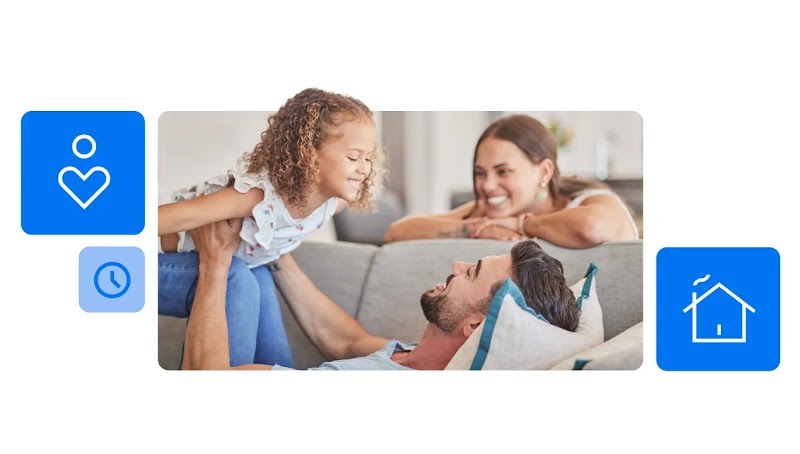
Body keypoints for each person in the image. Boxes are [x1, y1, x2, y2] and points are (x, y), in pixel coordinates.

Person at [158, 88, 384, 368]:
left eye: (368, 157)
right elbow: (180, 216)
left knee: (258, 275)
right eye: (353, 157)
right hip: (157, 256)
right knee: (236, 273)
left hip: (237, 263)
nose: (364, 169)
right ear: (309, 156)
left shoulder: (332, 204)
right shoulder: (259, 198)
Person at [181, 217, 579, 371]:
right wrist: (278, 254)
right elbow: (345, 340)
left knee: (233, 274)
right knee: (260, 273)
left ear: (475, 325)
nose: (457, 266)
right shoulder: (415, 359)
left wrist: (214, 262)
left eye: (471, 273)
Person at [384, 114, 640, 249]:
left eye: (503, 171)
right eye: (480, 172)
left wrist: (520, 225)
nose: (487, 185)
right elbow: (399, 232)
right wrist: (476, 228)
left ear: (544, 171)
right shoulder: (487, 214)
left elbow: (592, 228)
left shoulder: (591, 200)